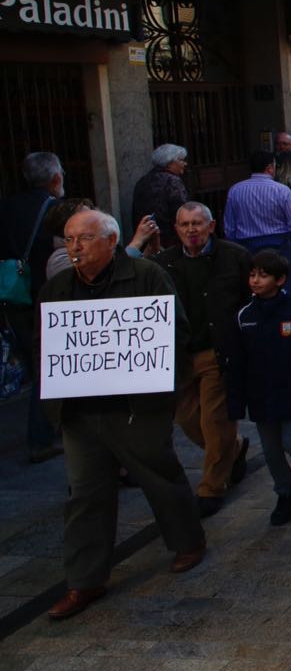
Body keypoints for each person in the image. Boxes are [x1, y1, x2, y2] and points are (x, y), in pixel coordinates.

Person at [40, 210, 206, 620]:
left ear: (111, 241)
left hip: (136, 407)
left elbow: (176, 331)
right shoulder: (58, 287)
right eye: (69, 239)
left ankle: (187, 541)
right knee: (85, 494)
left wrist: (154, 381)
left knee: (160, 474)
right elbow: (45, 346)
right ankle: (84, 579)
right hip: (81, 411)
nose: (74, 248)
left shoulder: (146, 275)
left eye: (84, 239)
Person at [154, 202, 251, 517]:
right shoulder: (163, 264)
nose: (191, 230)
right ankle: (233, 449)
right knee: (187, 419)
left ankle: (211, 487)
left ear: (211, 226)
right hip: (182, 353)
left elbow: (249, 300)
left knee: (215, 421)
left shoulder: (234, 257)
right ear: (177, 229)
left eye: (197, 223)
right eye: (185, 224)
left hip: (218, 350)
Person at [228, 249, 291, 526]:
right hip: (260, 393)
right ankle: (285, 494)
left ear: (280, 280)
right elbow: (238, 360)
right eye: (253, 274)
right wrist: (236, 400)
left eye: (263, 275)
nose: (256, 280)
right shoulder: (245, 315)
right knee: (271, 450)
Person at [3, 152, 65, 463]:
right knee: (46, 368)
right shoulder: (55, 209)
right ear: (56, 179)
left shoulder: (8, 206)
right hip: (44, 296)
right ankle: (41, 439)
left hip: (13, 295)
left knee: (34, 362)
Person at [224, 151, 291, 299]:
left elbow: (229, 227)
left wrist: (233, 250)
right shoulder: (282, 190)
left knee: (253, 289)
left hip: (247, 247)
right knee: (286, 289)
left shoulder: (235, 191)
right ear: (270, 168)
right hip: (279, 245)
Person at [130, 143, 189, 249]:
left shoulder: (142, 181)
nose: (185, 164)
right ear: (169, 163)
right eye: (181, 160)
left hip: (145, 239)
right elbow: (181, 213)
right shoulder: (173, 181)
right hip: (169, 242)